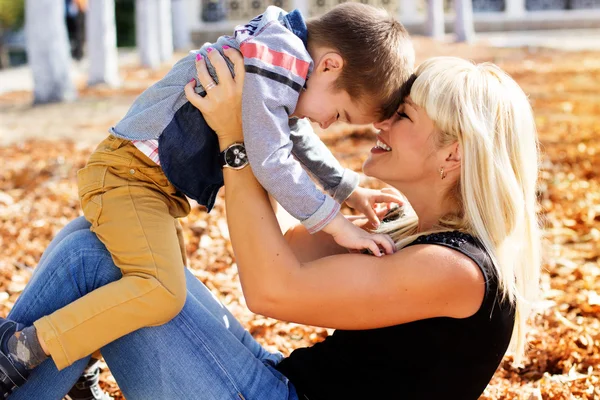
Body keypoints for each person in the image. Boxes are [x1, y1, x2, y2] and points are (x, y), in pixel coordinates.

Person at [2, 52, 540, 399]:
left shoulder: (456, 270)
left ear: (453, 156)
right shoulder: (410, 231)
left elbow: (268, 287)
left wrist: (239, 138)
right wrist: (328, 197)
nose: (381, 121)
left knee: (94, 261)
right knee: (91, 239)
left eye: (404, 116)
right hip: (276, 378)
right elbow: (287, 252)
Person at [0, 4, 412, 396]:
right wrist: (334, 221)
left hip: (142, 181)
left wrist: (346, 188)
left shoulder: (281, 56)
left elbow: (294, 134)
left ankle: (81, 353)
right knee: (161, 291)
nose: (327, 124)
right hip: (129, 174)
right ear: (330, 65)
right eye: (338, 114)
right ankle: (23, 349)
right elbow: (272, 160)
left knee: (155, 284)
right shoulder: (279, 59)